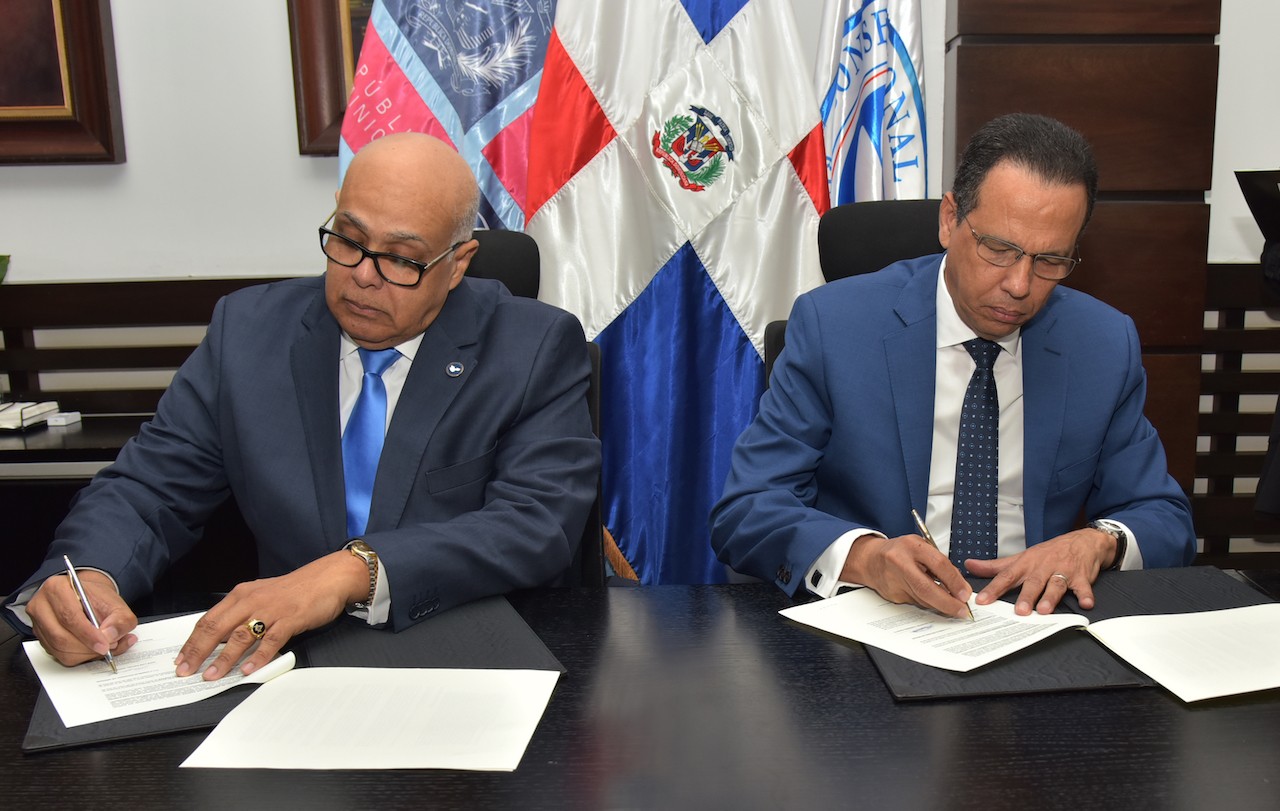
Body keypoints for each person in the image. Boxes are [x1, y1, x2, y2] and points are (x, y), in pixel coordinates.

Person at [6, 133, 601, 679]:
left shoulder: (532, 347)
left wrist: (353, 571)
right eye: (349, 240)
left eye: (401, 258)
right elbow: (150, 487)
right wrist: (86, 575)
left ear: (458, 265)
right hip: (283, 667)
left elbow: (535, 522)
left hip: (468, 658)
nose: (364, 277)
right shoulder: (247, 333)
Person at [710, 113, 1195, 619]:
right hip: (875, 616)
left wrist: (1097, 543)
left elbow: (1165, 518)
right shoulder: (834, 327)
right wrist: (868, 559)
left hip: (1031, 623)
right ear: (949, 220)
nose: (1020, 285)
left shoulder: (1100, 344)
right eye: (1000, 249)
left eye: (1051, 260)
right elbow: (747, 509)